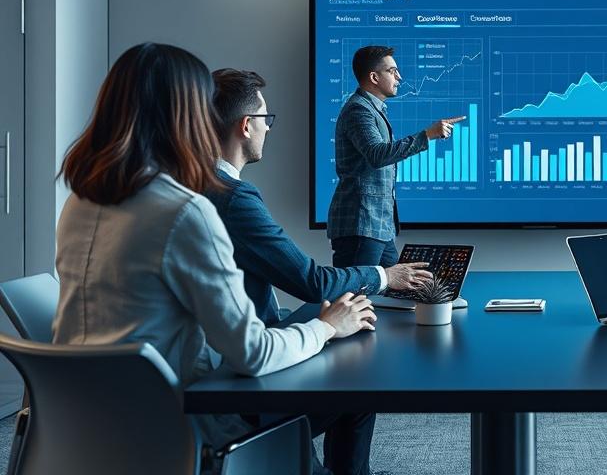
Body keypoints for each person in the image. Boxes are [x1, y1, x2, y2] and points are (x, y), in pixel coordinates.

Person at [52, 43, 376, 472]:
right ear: (187, 114)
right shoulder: (185, 212)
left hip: (84, 430)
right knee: (352, 378)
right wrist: (323, 327)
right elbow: (253, 354)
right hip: (187, 431)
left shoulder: (81, 203)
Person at [204, 67, 434, 475]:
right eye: (265, 119)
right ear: (244, 126)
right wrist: (386, 276)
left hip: (230, 360)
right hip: (243, 386)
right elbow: (311, 281)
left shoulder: (199, 187)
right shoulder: (232, 199)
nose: (268, 129)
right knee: (358, 380)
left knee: (353, 332)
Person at [327, 45, 465, 268]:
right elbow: (377, 154)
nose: (399, 77)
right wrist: (427, 135)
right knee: (355, 297)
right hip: (362, 225)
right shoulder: (358, 110)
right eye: (392, 71)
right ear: (374, 77)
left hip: (379, 225)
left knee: (400, 289)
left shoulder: (372, 109)